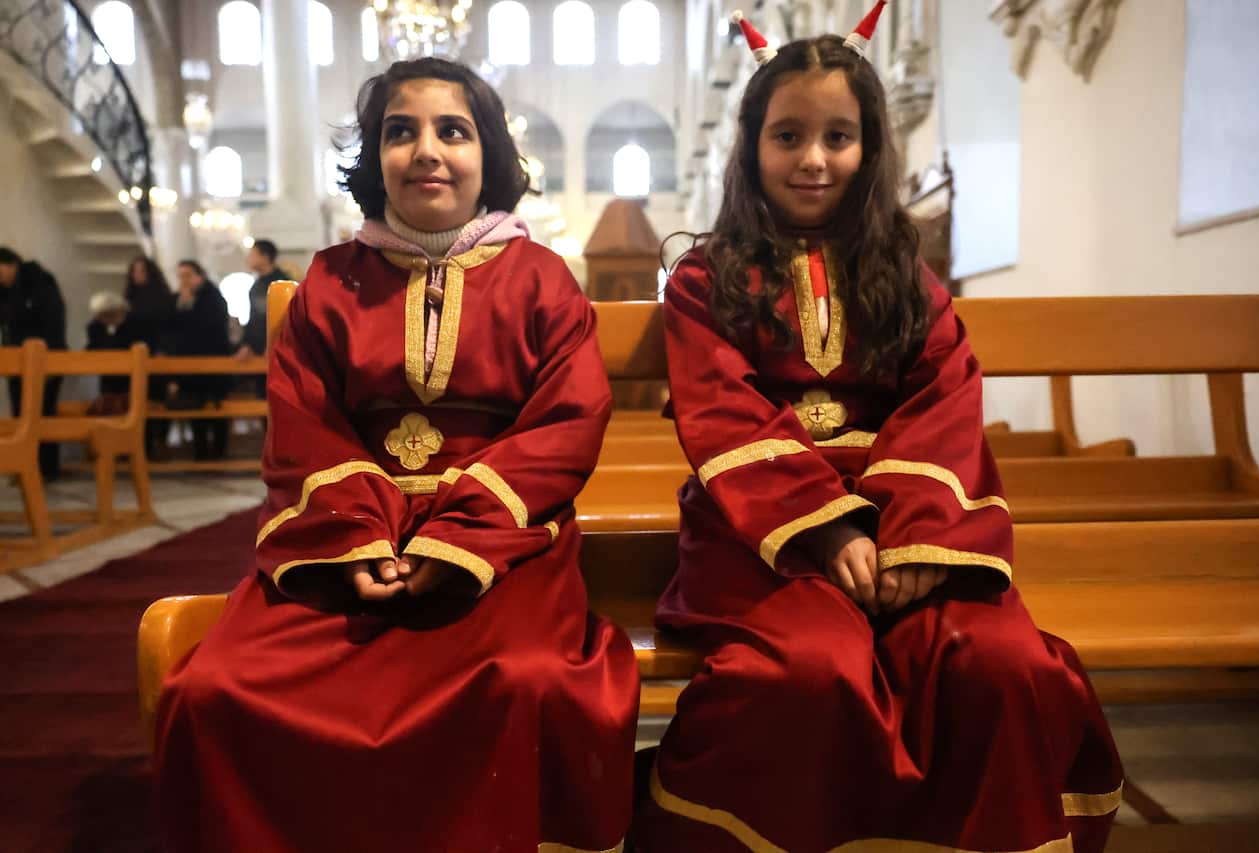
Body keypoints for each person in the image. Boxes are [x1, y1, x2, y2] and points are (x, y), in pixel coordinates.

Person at [633, 9, 1123, 853]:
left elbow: (943, 403)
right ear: (750, 146)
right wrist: (828, 527)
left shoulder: (908, 274)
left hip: (915, 539)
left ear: (870, 148)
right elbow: (722, 409)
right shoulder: (705, 278)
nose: (814, 159)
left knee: (1001, 665)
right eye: (788, 135)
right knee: (807, 671)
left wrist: (911, 539)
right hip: (764, 536)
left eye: (838, 136)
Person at [153, 56, 639, 851]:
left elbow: (567, 421)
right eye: (399, 131)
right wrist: (356, 539)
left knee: (524, 679)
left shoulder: (544, 280)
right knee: (217, 686)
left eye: (454, 130)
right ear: (374, 159)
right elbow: (303, 420)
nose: (427, 150)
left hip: (502, 543)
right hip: (346, 533)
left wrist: (459, 539)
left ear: (491, 157)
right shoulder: (330, 281)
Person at [0, 247, 67, 478]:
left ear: (11, 264)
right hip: (16, 362)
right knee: (20, 414)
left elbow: (54, 321)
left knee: (43, 414)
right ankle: (22, 468)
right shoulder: (5, 291)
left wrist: (49, 359)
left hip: (47, 359)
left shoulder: (40, 281)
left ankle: (46, 469)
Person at [168, 261, 232, 460]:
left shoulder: (213, 298)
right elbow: (173, 330)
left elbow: (209, 328)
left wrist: (187, 307)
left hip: (214, 364)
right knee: (195, 412)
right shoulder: (177, 299)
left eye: (188, 275)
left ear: (200, 276)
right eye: (180, 276)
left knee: (217, 412)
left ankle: (219, 453)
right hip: (190, 367)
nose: (184, 281)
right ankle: (200, 453)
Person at [122, 255, 175, 456]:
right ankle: (137, 446)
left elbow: (168, 328)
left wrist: (163, 349)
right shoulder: (129, 298)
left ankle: (157, 444)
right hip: (134, 356)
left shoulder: (162, 298)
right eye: (134, 271)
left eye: (141, 271)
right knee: (136, 401)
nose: (137, 275)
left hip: (156, 355)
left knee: (156, 400)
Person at [85, 291, 143, 415]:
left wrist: (113, 330)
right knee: (107, 405)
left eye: (112, 315)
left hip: (129, 377)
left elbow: (129, 346)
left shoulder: (132, 326)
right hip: (107, 375)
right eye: (103, 316)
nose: (108, 319)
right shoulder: (95, 327)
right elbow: (93, 346)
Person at [236, 238, 288, 362]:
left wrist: (274, 344)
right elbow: (254, 318)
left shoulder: (283, 284)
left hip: (280, 351)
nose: (248, 259)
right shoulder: (256, 286)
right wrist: (247, 344)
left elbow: (287, 319)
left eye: (252, 255)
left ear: (265, 257)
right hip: (258, 351)